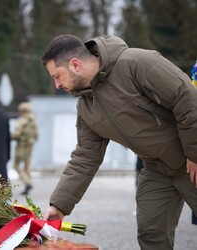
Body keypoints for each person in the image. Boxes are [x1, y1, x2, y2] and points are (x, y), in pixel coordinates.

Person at [41, 34, 197, 250]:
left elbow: (187, 98)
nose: (57, 85)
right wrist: (58, 205)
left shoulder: (137, 63)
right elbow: (86, 157)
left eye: (57, 76)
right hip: (157, 170)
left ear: (75, 64)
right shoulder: (86, 106)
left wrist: (194, 153)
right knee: (151, 234)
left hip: (191, 161)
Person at [11, 102, 38, 195]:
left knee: (16, 166)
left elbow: (16, 134)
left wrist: (9, 136)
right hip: (30, 146)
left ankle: (27, 183)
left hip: (21, 146)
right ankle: (27, 186)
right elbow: (36, 135)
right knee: (27, 166)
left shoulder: (22, 121)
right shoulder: (33, 120)